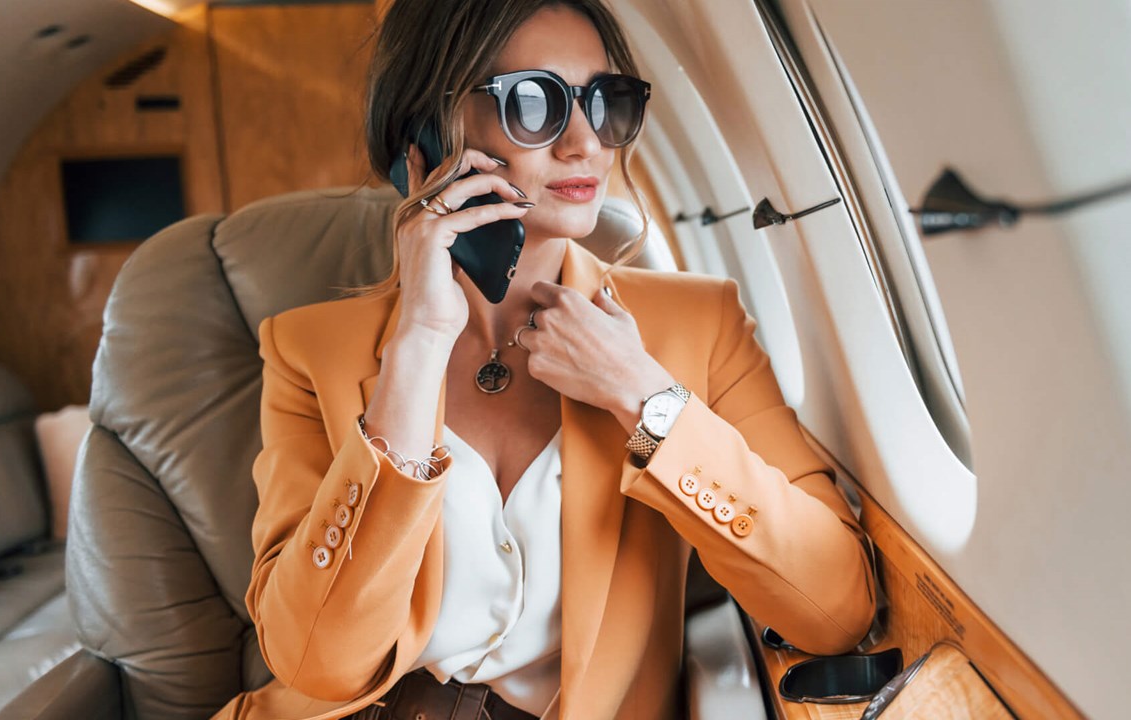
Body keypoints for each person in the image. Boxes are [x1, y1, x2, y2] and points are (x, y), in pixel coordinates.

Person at [211, 1, 877, 718]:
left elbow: (835, 609)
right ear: (428, 132)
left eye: (606, 102)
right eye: (535, 103)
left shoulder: (699, 325)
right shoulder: (308, 351)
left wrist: (644, 399)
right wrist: (417, 349)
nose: (587, 142)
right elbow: (317, 665)